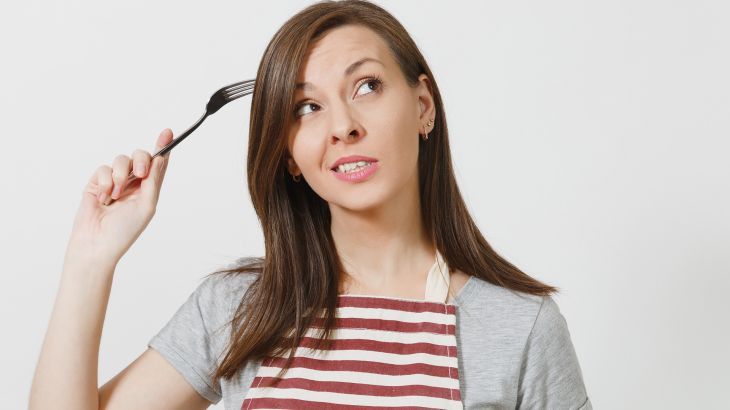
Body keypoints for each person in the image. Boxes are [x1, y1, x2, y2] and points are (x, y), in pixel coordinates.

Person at [29, 1, 592, 409]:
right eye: (306, 107)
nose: (343, 126)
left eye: (366, 86)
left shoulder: (520, 329)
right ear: (290, 156)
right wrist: (90, 258)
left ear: (423, 107)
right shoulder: (237, 309)